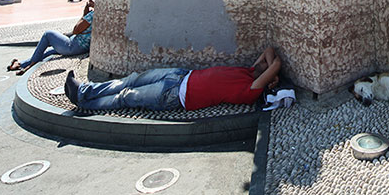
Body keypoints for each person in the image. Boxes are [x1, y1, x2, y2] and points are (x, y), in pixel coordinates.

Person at [64, 46, 283, 112]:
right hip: (180, 75)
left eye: (264, 68)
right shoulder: (249, 71)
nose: (262, 62)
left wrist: (272, 76)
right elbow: (268, 51)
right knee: (130, 80)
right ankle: (85, 90)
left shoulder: (250, 89)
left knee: (126, 96)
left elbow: (275, 64)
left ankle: (84, 101)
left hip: (174, 95)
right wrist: (270, 74)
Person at [8, 0, 95, 74]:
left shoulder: (92, 15)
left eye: (91, 0)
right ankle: (21, 64)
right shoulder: (99, 13)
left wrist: (84, 14)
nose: (89, 2)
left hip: (74, 46)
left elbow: (76, 30)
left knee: (48, 34)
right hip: (82, 46)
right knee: (50, 51)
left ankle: (31, 65)